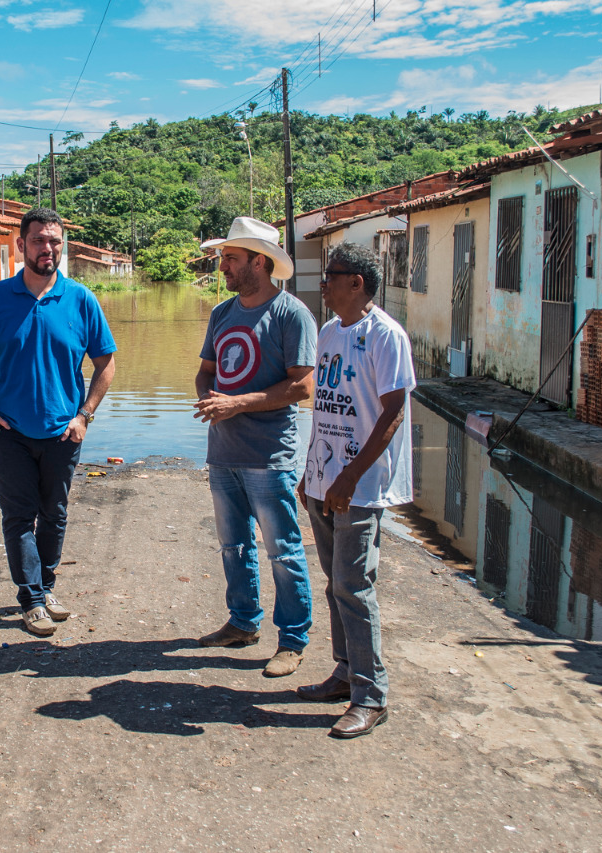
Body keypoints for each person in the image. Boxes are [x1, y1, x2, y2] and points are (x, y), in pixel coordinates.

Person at [0, 208, 117, 637]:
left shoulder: (81, 299)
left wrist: (85, 415)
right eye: (40, 240)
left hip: (64, 430)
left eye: (55, 241)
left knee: (55, 513)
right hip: (7, 432)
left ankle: (45, 588)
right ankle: (31, 598)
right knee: (18, 515)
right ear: (21, 246)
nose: (49, 248)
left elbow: (107, 364)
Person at [297, 241, 415, 738]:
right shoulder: (328, 332)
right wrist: (313, 473)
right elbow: (326, 408)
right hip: (325, 479)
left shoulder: (387, 336)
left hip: (361, 487)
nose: (324, 284)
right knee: (335, 583)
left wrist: (348, 477)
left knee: (354, 585)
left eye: (331, 276)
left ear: (356, 283)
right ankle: (345, 673)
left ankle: (372, 696)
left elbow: (392, 413)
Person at [193, 217, 317, 679]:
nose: (222, 265)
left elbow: (302, 386)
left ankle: (293, 639)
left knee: (283, 549)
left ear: (259, 263)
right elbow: (207, 369)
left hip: (270, 455)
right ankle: (243, 622)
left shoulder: (292, 314)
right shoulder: (222, 314)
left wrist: (238, 403)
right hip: (223, 451)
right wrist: (209, 395)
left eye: (231, 258)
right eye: (224, 257)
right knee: (233, 546)